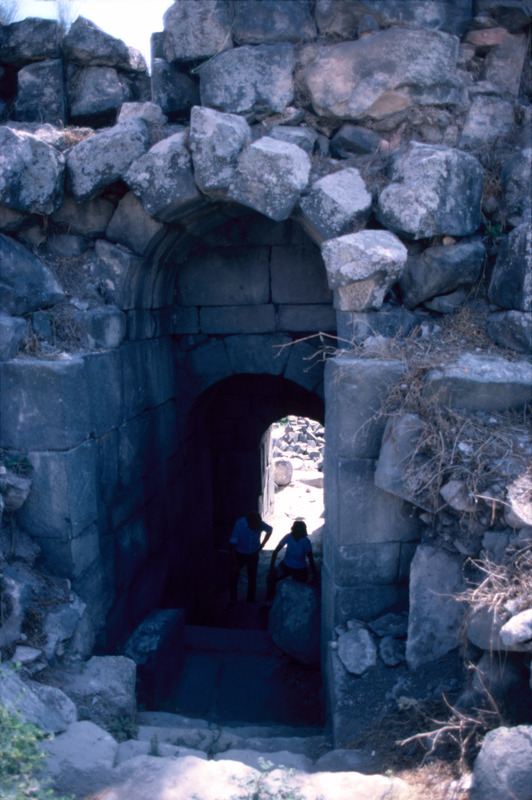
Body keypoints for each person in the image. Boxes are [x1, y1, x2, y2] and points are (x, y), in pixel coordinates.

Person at [266, 520, 316, 606]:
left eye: (299, 530)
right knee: (271, 578)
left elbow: (310, 559)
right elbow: (275, 551)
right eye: (295, 529)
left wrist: (314, 573)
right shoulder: (288, 537)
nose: (296, 532)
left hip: (300, 568)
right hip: (286, 565)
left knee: (299, 589)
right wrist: (271, 568)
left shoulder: (305, 541)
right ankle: (270, 602)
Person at [229, 512, 273, 603]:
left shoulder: (260, 524)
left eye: (257, 526)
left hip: (253, 553)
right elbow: (232, 544)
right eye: (253, 526)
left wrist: (262, 545)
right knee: (234, 576)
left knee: (252, 577)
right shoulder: (239, 524)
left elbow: (269, 530)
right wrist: (235, 562)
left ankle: (250, 600)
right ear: (248, 522)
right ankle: (232, 599)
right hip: (240, 553)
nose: (255, 528)